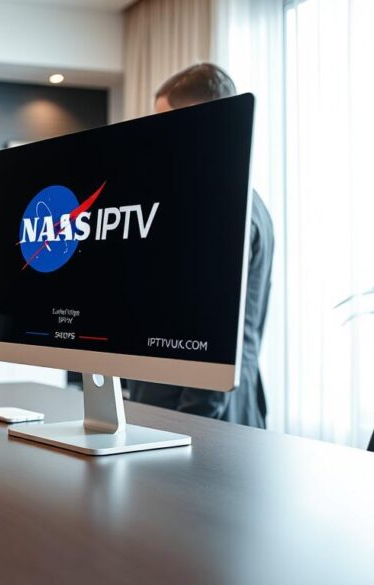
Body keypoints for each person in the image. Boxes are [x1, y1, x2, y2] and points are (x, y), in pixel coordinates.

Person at [126, 63, 275, 428]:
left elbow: (219, 339)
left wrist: (189, 426)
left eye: (169, 124)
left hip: (198, 422)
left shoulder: (230, 207)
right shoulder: (210, 199)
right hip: (170, 416)